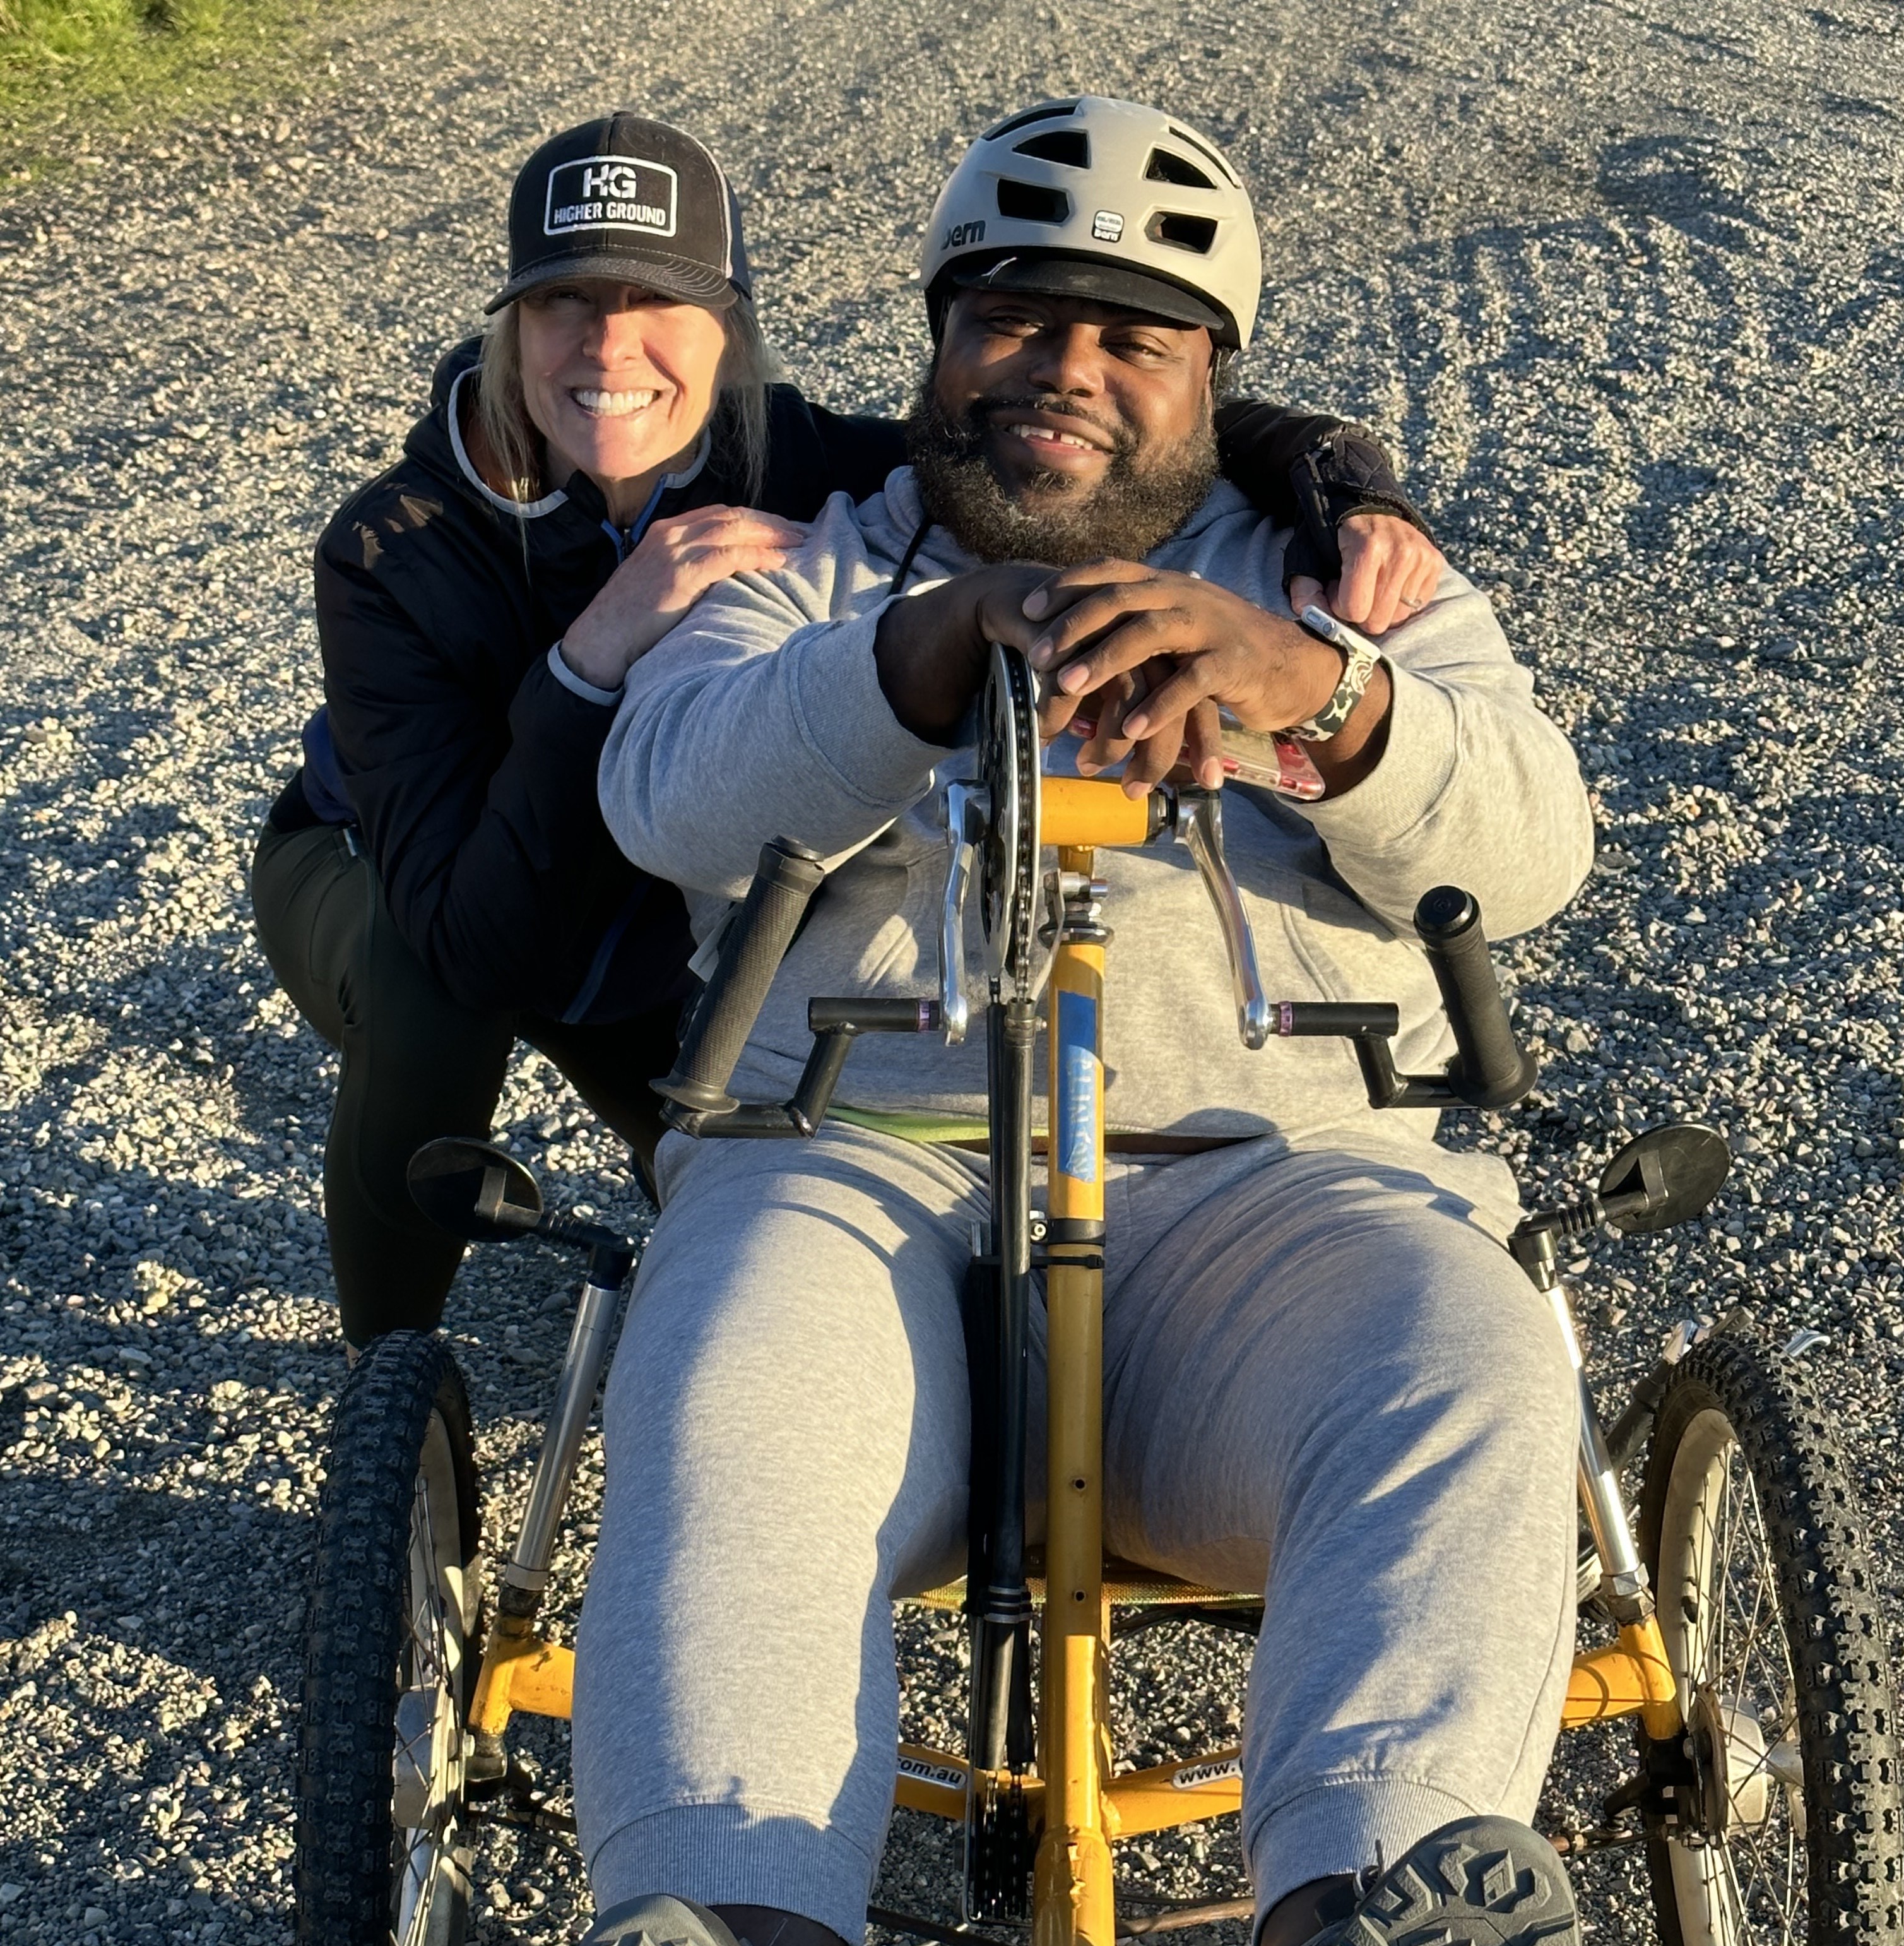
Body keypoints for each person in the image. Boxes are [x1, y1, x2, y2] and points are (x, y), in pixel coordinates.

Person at [533, 93, 1594, 1946]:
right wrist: (918, 657)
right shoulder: (810, 562)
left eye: (1134, 333)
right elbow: (662, 789)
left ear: (1214, 372)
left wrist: (1328, 700)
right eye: (1018, 316)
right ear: (939, 340)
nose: (1067, 368)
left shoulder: (1348, 579)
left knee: (1468, 1353)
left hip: (1259, 1192)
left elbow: (1535, 843)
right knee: (726, 1399)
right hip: (858, 1171)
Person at [247, 110, 1441, 1351]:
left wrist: (1344, 477)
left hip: (646, 879)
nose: (609, 346)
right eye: (564, 302)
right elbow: (474, 934)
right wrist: (595, 650)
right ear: (512, 324)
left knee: (726, 1162)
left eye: (658, 303)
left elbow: (1083, 420)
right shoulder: (393, 545)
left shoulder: (802, 459)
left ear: (731, 324)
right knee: (432, 996)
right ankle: (385, 1363)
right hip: (393, 865)